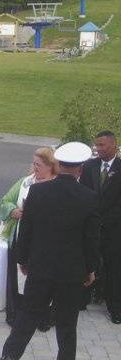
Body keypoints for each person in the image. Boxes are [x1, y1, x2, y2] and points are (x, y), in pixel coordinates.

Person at [0, 142, 100, 360]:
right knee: (66, 327)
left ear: (59, 165)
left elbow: (26, 230)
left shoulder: (37, 191)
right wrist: (91, 269)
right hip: (71, 274)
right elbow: (91, 239)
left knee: (26, 320)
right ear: (80, 169)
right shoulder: (89, 198)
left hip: (40, 268)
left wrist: (23, 260)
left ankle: (8, 357)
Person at [0, 147, 58, 329]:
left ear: (50, 166)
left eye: (39, 165)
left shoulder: (56, 185)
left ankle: (43, 316)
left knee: (41, 282)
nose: (35, 168)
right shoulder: (25, 182)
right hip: (20, 237)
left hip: (43, 243)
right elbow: (6, 200)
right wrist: (13, 211)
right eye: (33, 164)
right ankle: (15, 313)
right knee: (17, 278)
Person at [79, 130, 121, 323]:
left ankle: (115, 308)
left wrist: (108, 220)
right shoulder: (89, 166)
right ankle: (81, 300)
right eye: (96, 145)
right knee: (88, 262)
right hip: (91, 227)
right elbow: (84, 193)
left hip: (114, 230)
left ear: (114, 145)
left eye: (102, 145)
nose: (98, 149)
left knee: (114, 269)